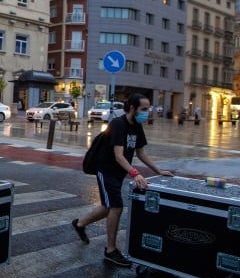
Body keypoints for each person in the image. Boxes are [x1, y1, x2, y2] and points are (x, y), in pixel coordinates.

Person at [71, 93, 174, 267]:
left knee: (107, 208)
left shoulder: (137, 126)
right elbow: (118, 156)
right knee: (116, 207)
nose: (146, 113)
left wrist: (158, 170)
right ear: (132, 108)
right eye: (143, 109)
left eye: (148, 109)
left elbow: (141, 153)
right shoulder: (118, 124)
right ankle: (110, 250)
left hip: (118, 173)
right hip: (106, 170)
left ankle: (80, 224)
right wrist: (135, 173)